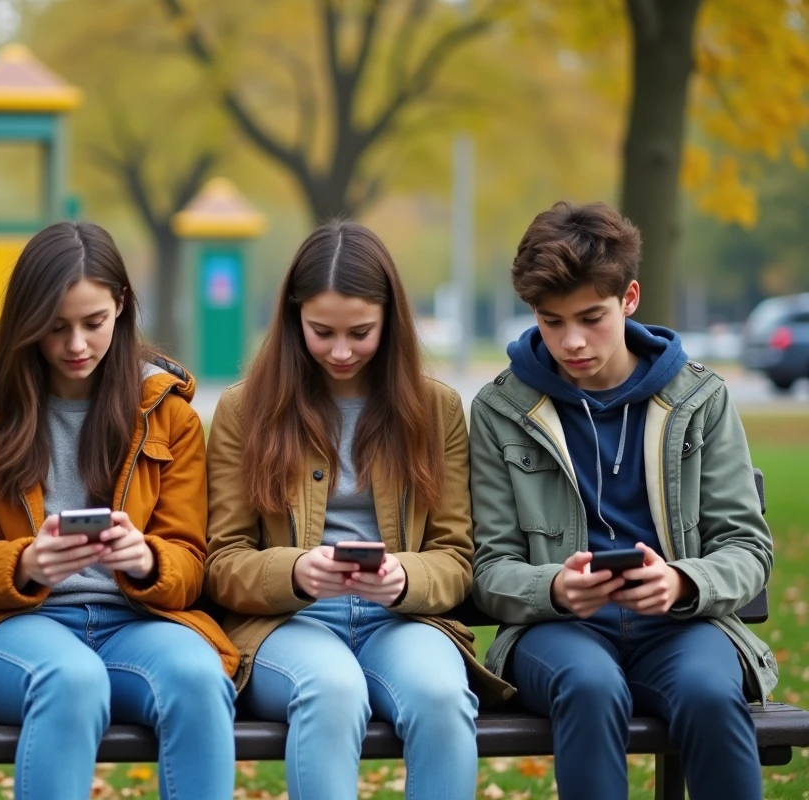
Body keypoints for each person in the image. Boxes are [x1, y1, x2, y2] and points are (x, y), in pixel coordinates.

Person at [470, 201, 775, 800]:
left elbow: (747, 546)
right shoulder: (501, 408)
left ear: (629, 298)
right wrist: (555, 587)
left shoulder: (701, 399)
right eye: (551, 321)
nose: (572, 341)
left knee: (713, 695)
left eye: (591, 317)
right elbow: (488, 569)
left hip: (681, 627)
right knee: (588, 687)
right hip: (558, 630)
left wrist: (682, 583)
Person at [0, 220, 239, 800]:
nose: (76, 345)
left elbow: (192, 561)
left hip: (137, 625)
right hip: (18, 629)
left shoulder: (168, 415)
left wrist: (145, 559)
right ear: (26, 323)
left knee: (199, 680)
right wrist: (26, 565)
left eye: (93, 323)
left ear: (121, 306)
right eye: (55, 327)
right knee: (70, 680)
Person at [205, 220, 511, 800]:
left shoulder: (434, 409)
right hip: (286, 625)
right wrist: (296, 571)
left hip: (402, 621)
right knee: (331, 689)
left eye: (361, 332)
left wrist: (403, 577)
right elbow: (222, 561)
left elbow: (455, 556)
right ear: (294, 320)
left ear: (390, 321)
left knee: (443, 698)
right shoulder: (246, 410)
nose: (341, 351)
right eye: (322, 332)